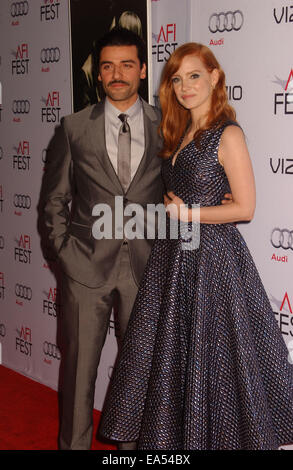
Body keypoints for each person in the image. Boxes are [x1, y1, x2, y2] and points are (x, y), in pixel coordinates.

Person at [99, 42, 293, 450]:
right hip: (173, 257)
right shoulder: (180, 131)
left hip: (214, 262)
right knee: (173, 358)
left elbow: (246, 207)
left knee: (216, 361)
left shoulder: (228, 133)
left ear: (214, 77)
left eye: (194, 76)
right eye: (177, 79)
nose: (185, 86)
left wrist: (192, 215)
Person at [41, 28, 164, 450]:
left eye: (127, 64)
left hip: (145, 271)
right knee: (78, 374)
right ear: (99, 72)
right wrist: (64, 254)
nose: (117, 74)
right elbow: (54, 199)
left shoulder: (167, 124)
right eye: (108, 65)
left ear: (143, 70)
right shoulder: (74, 127)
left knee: (139, 376)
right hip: (85, 268)